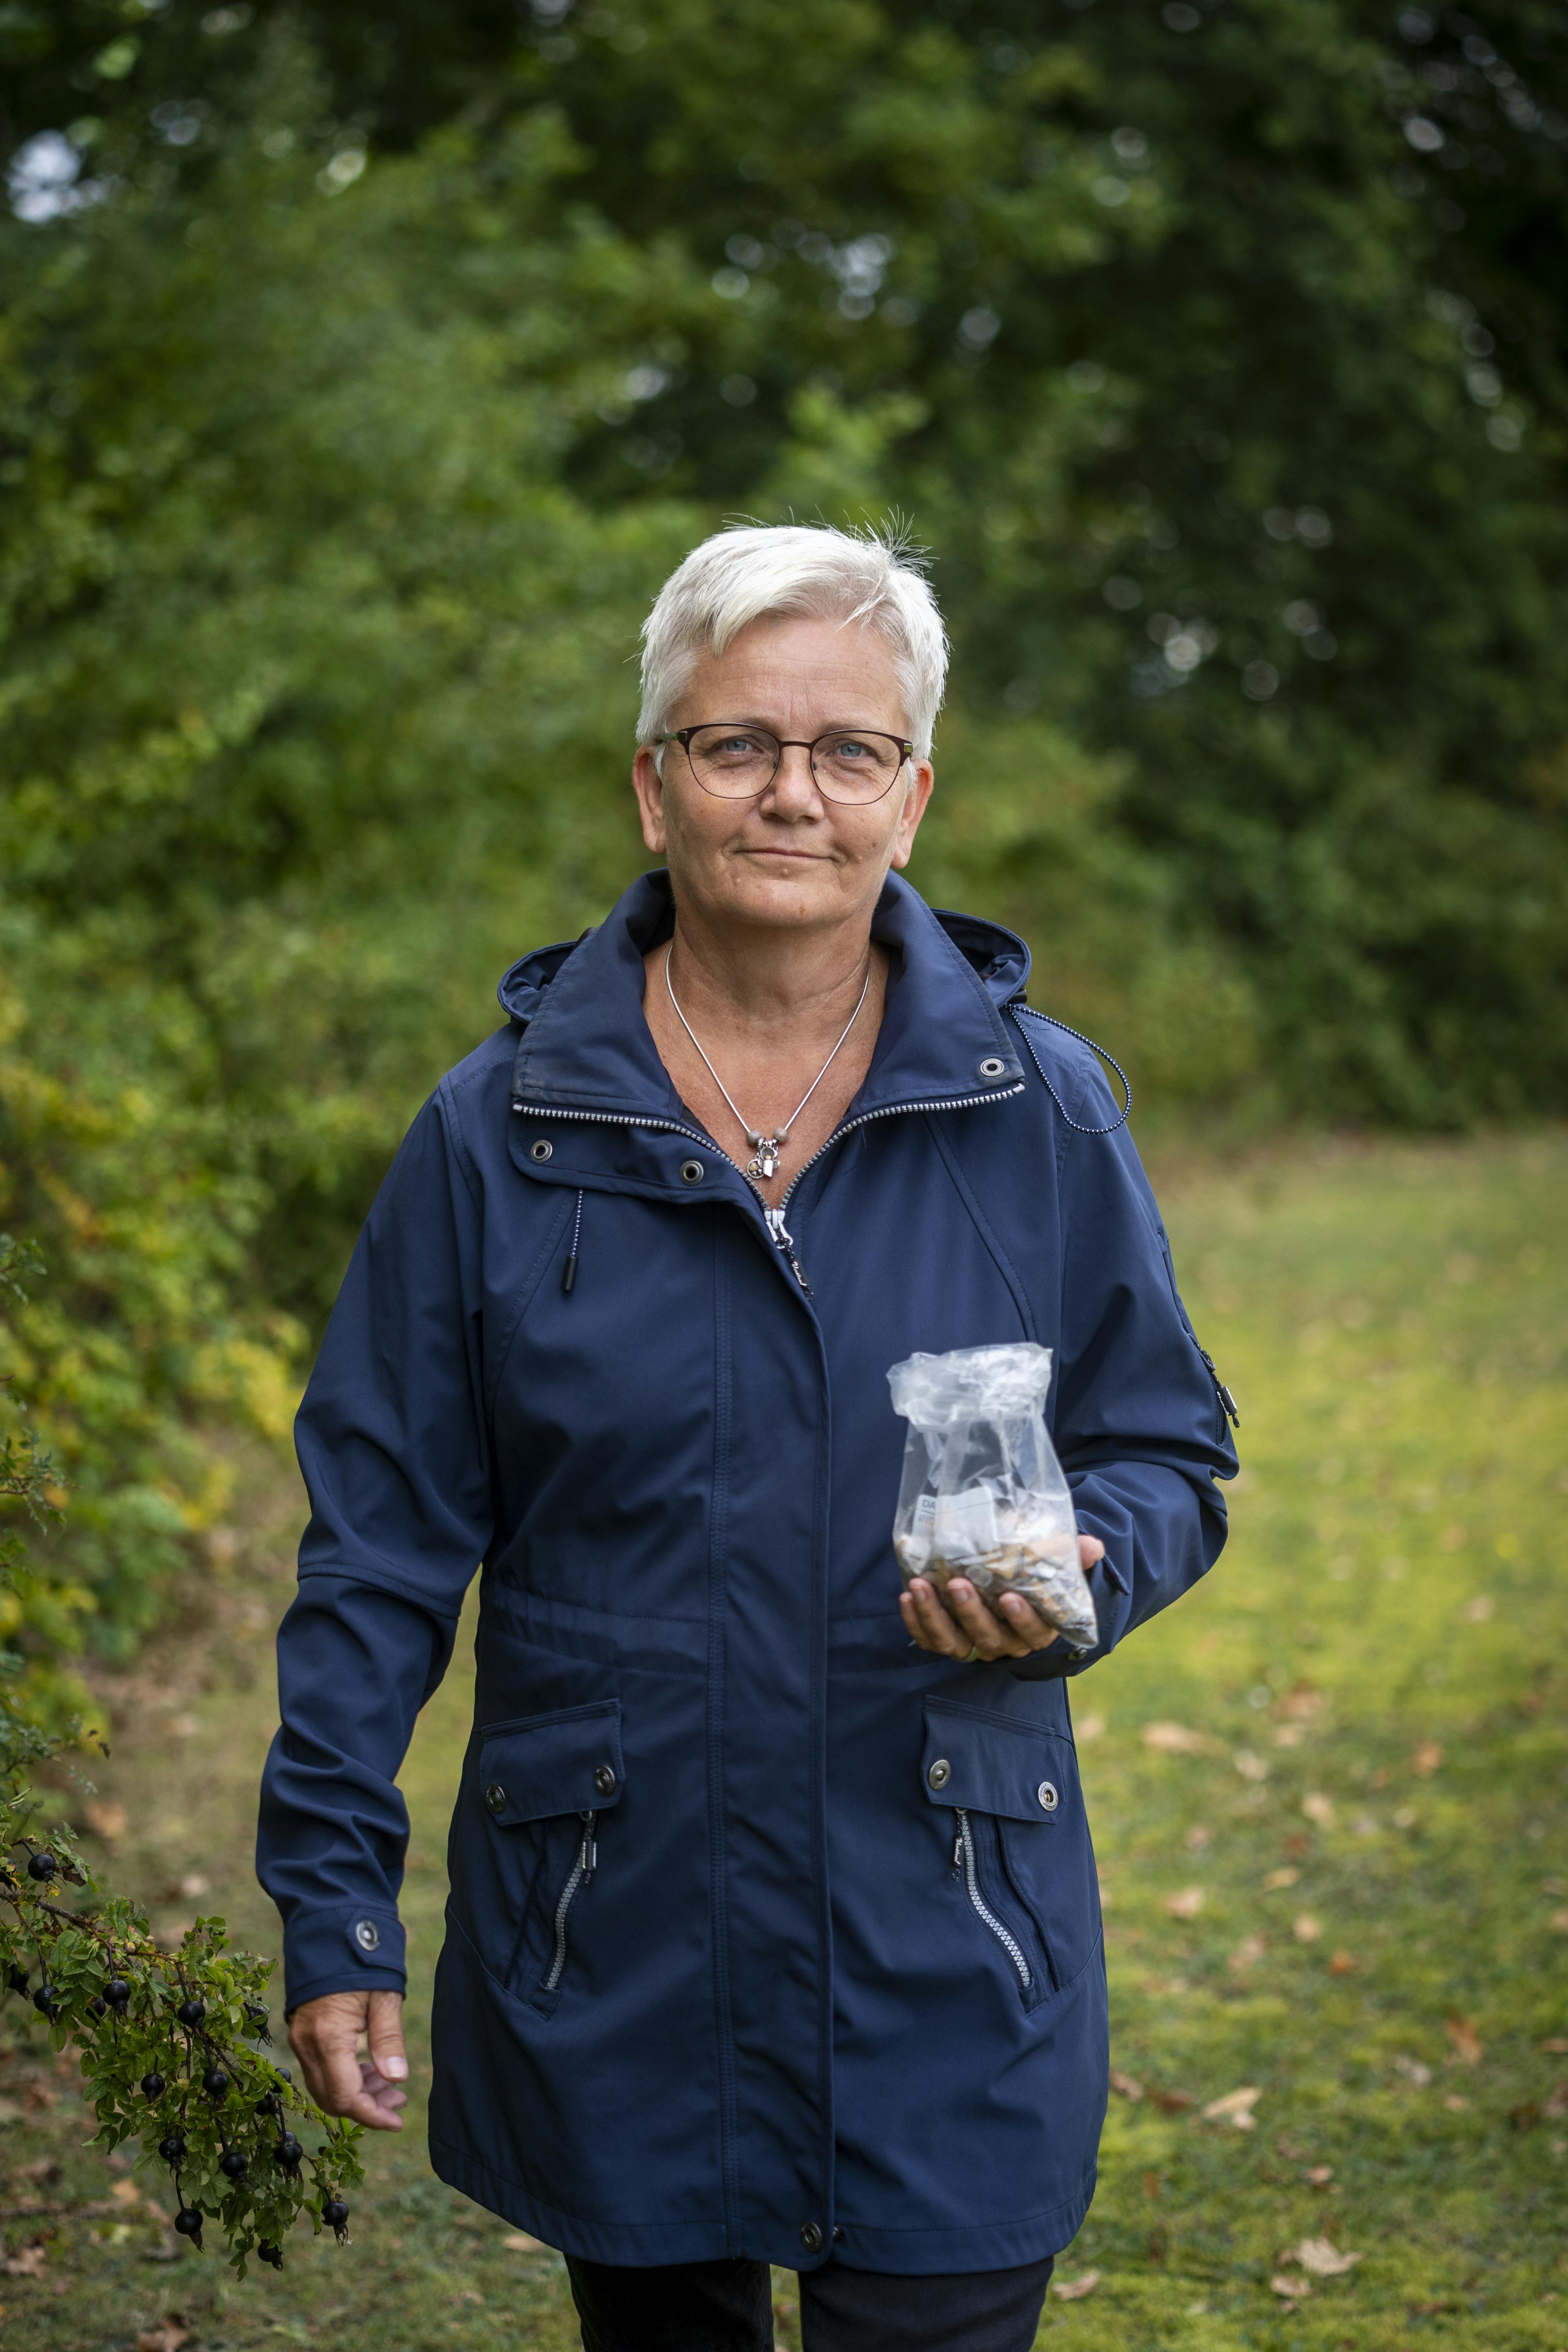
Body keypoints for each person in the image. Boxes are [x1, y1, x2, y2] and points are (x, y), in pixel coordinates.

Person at [257, 522, 1238, 2352]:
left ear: (913, 795)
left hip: (956, 1934)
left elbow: (1170, 1451)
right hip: (609, 1933)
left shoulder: (1041, 1109)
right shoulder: (499, 1131)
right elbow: (378, 1548)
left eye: (847, 750)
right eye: (737, 745)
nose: (793, 793)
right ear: (656, 786)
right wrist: (332, 1904)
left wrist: (1092, 1560)